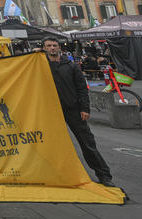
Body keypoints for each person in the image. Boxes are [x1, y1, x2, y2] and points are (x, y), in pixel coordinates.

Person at [42, 37, 115, 187]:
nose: (52, 48)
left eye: (54, 45)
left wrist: (84, 108)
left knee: (87, 142)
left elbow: (82, 88)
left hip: (73, 108)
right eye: (49, 46)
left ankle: (103, 174)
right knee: (51, 143)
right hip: (51, 110)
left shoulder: (71, 66)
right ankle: (55, 173)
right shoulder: (41, 65)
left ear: (59, 48)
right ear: (44, 48)